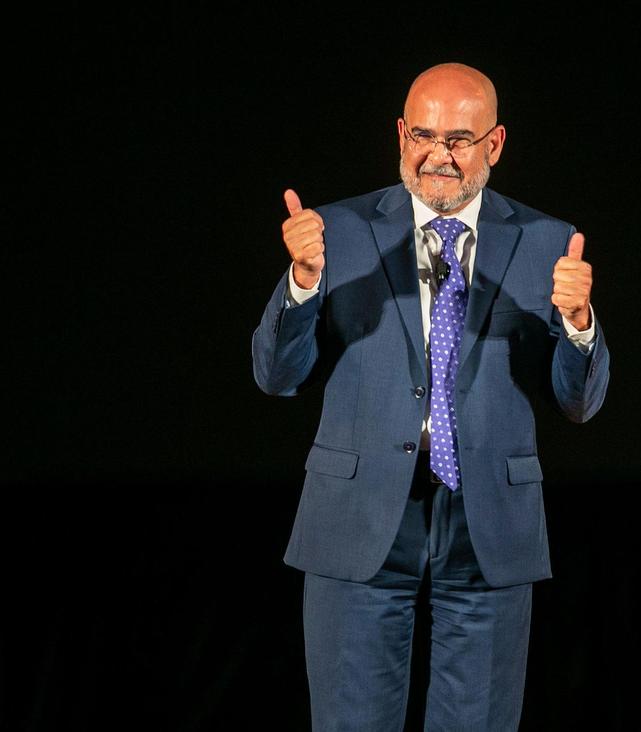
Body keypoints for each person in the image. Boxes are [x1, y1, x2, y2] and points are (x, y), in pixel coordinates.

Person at [251, 62, 610, 731]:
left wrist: (579, 325)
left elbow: (578, 402)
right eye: (422, 134)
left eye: (459, 140)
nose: (436, 155)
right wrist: (301, 283)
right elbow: (277, 375)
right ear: (399, 134)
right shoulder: (335, 232)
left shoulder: (546, 244)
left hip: (487, 521)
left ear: (494, 146)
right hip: (358, 513)